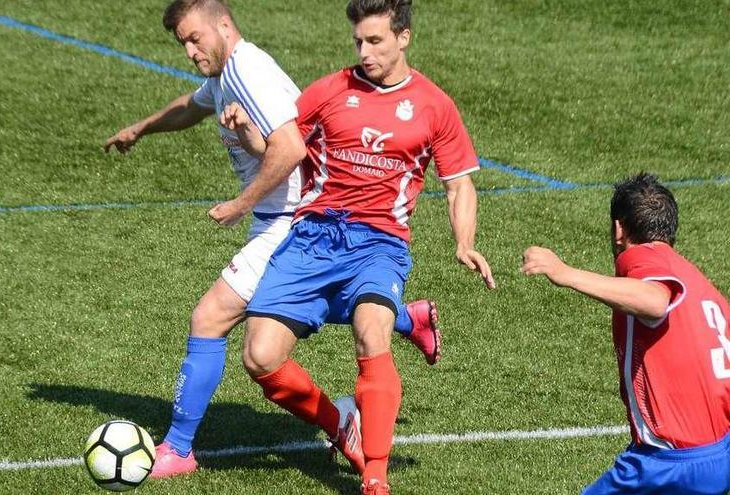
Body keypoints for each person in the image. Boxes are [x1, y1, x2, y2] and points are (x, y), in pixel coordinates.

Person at [102, 0, 442, 479]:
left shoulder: (251, 73)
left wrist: (241, 204)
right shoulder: (226, 73)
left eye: (195, 38)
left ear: (223, 25)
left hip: (292, 218)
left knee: (210, 317)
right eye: (182, 43)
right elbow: (194, 104)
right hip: (279, 217)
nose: (190, 51)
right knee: (292, 324)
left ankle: (179, 448)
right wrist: (142, 127)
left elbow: (291, 147)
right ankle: (407, 320)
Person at [229, 1, 495, 492]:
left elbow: (459, 183)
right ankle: (338, 423)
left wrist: (465, 242)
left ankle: (375, 477)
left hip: (379, 243)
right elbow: (279, 151)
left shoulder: (435, 105)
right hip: (312, 238)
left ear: (404, 38)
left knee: (371, 331)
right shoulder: (329, 91)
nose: (364, 52)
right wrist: (247, 130)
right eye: (358, 42)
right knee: (260, 357)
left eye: (374, 41)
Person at [522, 173, 730, 495]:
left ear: (619, 229)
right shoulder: (703, 286)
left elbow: (655, 301)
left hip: (669, 463)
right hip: (719, 453)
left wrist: (565, 273)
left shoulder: (643, 258)